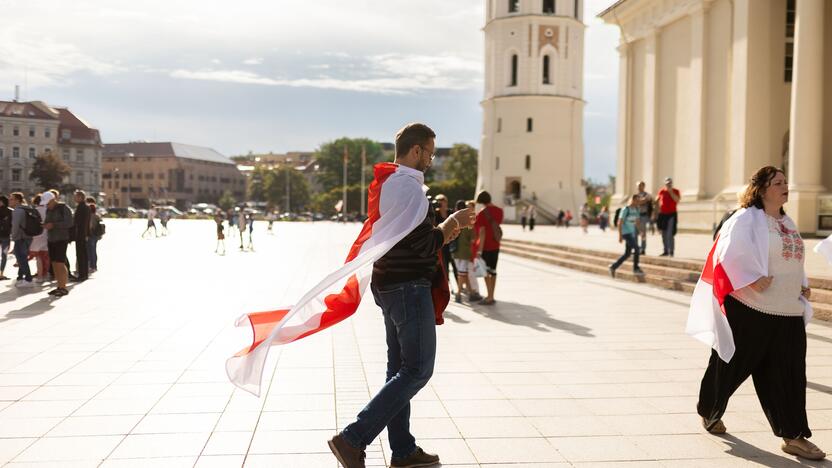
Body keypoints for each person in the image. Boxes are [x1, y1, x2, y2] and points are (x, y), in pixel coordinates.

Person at [328, 123, 476, 468]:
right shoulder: (410, 190)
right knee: (418, 369)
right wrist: (451, 224)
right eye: (431, 153)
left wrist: (443, 226)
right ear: (416, 151)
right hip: (408, 286)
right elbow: (424, 245)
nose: (431, 160)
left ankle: (403, 450)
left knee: (399, 368)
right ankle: (353, 438)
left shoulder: (390, 183)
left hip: (391, 285)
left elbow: (404, 239)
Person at [692, 166, 824, 461]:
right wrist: (750, 278)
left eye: (786, 182)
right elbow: (727, 253)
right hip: (752, 308)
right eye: (778, 182)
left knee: (789, 376)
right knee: (728, 366)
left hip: (788, 311)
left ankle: (793, 436)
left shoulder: (787, 221)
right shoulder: (746, 219)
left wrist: (802, 285)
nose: (785, 186)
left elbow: (793, 256)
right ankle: (710, 410)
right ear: (762, 189)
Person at [474, 190, 503, 305]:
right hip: (496, 244)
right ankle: (492, 295)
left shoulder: (482, 213)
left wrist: (479, 250)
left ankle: (489, 296)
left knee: (486, 272)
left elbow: (482, 232)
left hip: (485, 247)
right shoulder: (500, 211)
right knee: (493, 271)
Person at [43, 191, 74, 296]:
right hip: (51, 239)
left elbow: (69, 223)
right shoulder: (48, 209)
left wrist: (54, 225)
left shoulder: (64, 208)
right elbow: (48, 221)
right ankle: (59, 286)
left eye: (48, 203)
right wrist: (45, 225)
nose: (47, 205)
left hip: (61, 239)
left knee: (60, 263)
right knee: (54, 263)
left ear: (53, 200)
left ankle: (63, 287)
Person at [452, 200, 482, 303]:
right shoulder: (468, 220)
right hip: (465, 251)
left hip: (455, 251)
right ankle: (459, 293)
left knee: (462, 273)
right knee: (462, 273)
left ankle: (470, 293)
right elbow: (473, 237)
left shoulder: (453, 219)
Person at [608, 195, 644, 278]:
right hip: (625, 233)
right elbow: (619, 223)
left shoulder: (636, 210)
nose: (639, 203)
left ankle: (613, 267)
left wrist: (641, 232)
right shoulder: (625, 209)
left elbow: (637, 222)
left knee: (627, 253)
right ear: (633, 200)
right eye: (637, 201)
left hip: (631, 232)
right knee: (637, 248)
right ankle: (636, 268)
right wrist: (620, 236)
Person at [9, 192, 35, 287]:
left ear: (17, 200)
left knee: (21, 259)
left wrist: (13, 237)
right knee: (22, 258)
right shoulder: (26, 208)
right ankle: (20, 278)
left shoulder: (17, 210)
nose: (9, 201)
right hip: (28, 236)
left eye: (11, 199)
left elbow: (15, 226)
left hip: (20, 238)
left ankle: (28, 279)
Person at [656, 177, 680, 257]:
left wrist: (671, 192)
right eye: (667, 183)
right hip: (662, 215)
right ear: (665, 183)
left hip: (672, 214)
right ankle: (665, 250)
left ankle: (671, 251)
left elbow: (677, 200)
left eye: (670, 183)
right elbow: (657, 201)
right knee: (663, 234)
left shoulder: (676, 191)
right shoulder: (661, 191)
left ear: (671, 183)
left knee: (670, 234)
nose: (668, 184)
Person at [30, 195, 50, 283]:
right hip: (47, 235)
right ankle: (45, 274)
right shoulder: (48, 210)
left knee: (38, 257)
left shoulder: (34, 211)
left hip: (36, 235)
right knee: (45, 256)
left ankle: (40, 276)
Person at [73, 190, 90, 282]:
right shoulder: (86, 207)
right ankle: (84, 274)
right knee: (84, 254)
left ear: (80, 197)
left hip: (80, 234)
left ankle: (82, 275)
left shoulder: (81, 207)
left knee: (80, 255)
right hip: (83, 234)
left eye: (76, 196)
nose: (74, 198)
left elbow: (80, 222)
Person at [635, 181, 653, 255]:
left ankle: (643, 249)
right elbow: (633, 203)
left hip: (643, 216)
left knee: (643, 233)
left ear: (643, 186)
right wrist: (640, 201)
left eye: (641, 185)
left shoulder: (647, 195)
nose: (639, 187)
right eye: (638, 185)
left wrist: (638, 201)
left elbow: (644, 200)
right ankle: (636, 248)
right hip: (636, 216)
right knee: (635, 233)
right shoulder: (635, 195)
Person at [86, 197, 102, 273]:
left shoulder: (91, 216)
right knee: (94, 250)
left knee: (90, 251)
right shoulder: (97, 215)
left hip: (91, 235)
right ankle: (94, 266)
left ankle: (92, 266)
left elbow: (90, 226)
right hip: (96, 235)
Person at [0, 195, 11, 281]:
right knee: (4, 255)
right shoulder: (10, 211)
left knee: (4, 255)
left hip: (5, 236)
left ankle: (1, 273)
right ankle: (1, 274)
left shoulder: (9, 211)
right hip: (5, 236)